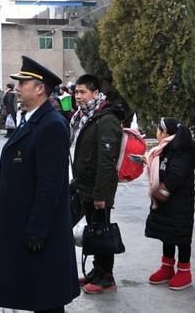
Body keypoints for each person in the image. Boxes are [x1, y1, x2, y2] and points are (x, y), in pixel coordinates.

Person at [0, 55, 79, 313]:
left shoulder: (51, 125)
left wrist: (37, 228)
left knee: (47, 297)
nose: (18, 88)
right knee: (40, 293)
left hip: (42, 230)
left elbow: (50, 185)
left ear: (40, 88)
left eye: (23, 83)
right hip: (28, 223)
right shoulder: (33, 119)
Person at [70, 74, 125, 294]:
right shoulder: (85, 116)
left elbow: (106, 160)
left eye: (83, 92)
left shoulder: (106, 119)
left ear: (95, 93)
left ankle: (106, 277)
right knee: (94, 230)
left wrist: (101, 195)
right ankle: (96, 270)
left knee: (102, 230)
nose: (78, 97)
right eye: (76, 92)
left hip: (98, 188)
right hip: (84, 185)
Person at [144, 118, 195, 291]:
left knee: (180, 235)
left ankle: (184, 270)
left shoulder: (181, 151)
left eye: (159, 131)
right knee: (166, 233)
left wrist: (164, 190)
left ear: (166, 133)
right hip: (166, 200)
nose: (157, 134)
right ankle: (167, 267)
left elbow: (176, 175)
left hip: (179, 201)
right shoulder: (165, 149)